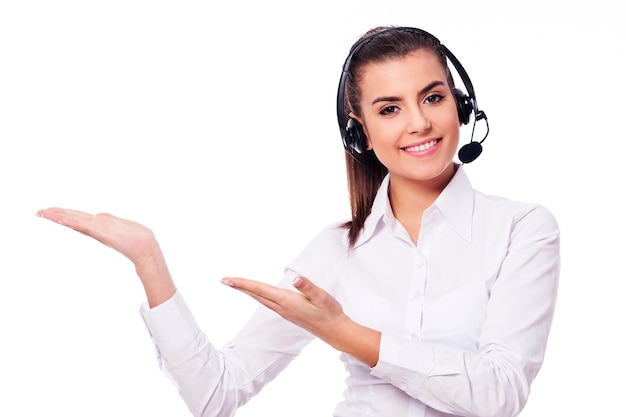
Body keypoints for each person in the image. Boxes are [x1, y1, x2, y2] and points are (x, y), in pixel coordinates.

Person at [37, 26, 560, 417]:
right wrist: (149, 260)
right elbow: (218, 393)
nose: (419, 123)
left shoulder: (523, 229)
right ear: (360, 133)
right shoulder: (336, 250)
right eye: (389, 108)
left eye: (432, 97)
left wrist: (344, 332)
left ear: (460, 104)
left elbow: (499, 394)